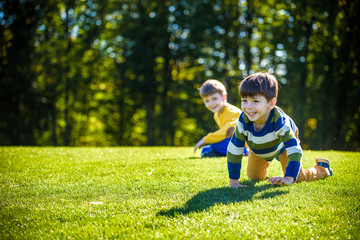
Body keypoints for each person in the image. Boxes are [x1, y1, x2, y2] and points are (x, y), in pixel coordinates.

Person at [227, 72, 333, 188]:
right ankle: (269, 157)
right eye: (244, 100)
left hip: (283, 145)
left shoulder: (281, 123)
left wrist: (288, 178)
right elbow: (234, 151)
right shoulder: (243, 121)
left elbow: (294, 150)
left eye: (255, 101)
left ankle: (323, 168)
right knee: (254, 177)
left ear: (271, 103)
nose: (248, 106)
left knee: (297, 178)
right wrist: (234, 183)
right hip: (258, 147)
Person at [194, 79, 249, 157]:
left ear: (223, 97)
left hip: (245, 143)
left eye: (214, 99)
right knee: (206, 149)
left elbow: (228, 130)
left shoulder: (231, 112)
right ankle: (214, 154)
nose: (211, 103)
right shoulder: (216, 115)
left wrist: (205, 139)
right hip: (233, 141)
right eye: (207, 101)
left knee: (214, 145)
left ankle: (245, 152)